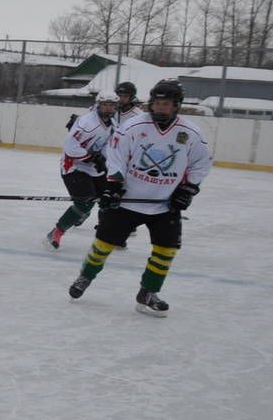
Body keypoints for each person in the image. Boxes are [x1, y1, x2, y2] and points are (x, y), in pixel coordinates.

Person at [68, 79, 211, 316]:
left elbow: (200, 163)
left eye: (166, 104)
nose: (160, 108)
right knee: (103, 243)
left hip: (165, 204)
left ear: (177, 105)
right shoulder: (133, 126)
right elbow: (116, 156)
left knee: (166, 249)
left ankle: (148, 292)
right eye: (156, 103)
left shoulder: (191, 133)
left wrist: (187, 189)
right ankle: (86, 276)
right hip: (127, 200)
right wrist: (113, 185)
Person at [45, 90, 119, 249]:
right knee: (85, 201)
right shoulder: (86, 123)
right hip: (73, 166)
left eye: (112, 105)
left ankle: (106, 234)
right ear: (99, 105)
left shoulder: (113, 124)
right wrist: (91, 157)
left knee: (108, 197)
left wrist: (104, 160)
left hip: (92, 167)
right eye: (105, 105)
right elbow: (70, 147)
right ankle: (57, 231)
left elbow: (108, 146)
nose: (108, 108)